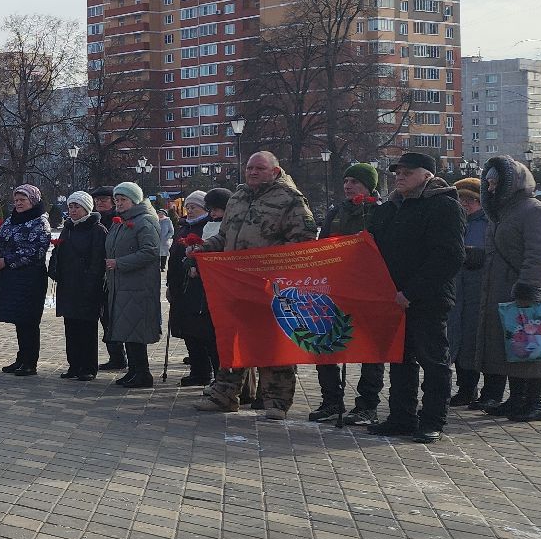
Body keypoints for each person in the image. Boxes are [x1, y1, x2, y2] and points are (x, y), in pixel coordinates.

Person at [194, 151, 316, 417]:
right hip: (236, 285)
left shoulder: (290, 200)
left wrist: (266, 262)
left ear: (274, 171)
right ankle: (224, 395)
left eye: (259, 168)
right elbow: (225, 236)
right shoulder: (237, 197)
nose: (252, 172)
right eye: (249, 167)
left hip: (270, 286)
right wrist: (203, 249)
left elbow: (303, 240)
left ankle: (275, 402)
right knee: (233, 339)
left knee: (272, 342)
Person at [366, 152, 465, 443]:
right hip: (394, 298)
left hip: (428, 298)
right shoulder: (389, 208)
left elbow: (449, 256)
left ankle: (433, 419)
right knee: (400, 359)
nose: (399, 176)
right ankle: (402, 416)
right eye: (397, 172)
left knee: (432, 360)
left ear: (427, 175)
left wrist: (412, 292)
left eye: (407, 172)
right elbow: (371, 248)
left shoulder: (444, 206)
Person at [474, 156, 541, 421]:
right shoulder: (501, 214)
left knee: (533, 348)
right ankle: (517, 399)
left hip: (524, 293)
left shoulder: (534, 210)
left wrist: (529, 289)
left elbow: (538, 254)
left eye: (495, 181)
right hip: (500, 290)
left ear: (512, 182)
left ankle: (535, 403)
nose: (490, 187)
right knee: (512, 348)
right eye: (488, 182)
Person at [309, 164, 385, 423]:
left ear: (369, 186)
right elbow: (322, 246)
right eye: (346, 180)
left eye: (355, 181)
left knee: (370, 350)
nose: (348, 185)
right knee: (325, 345)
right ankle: (331, 400)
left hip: (368, 290)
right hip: (335, 288)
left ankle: (367, 404)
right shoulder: (336, 212)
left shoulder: (379, 212)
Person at [104, 182, 164, 389]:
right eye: (117, 200)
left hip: (138, 286)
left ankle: (143, 373)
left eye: (123, 200)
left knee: (135, 330)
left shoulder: (145, 221)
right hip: (121, 285)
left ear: (135, 200)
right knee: (126, 329)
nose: (118, 204)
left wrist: (119, 263)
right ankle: (134, 371)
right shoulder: (121, 222)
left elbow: (150, 251)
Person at [0, 185, 51, 375]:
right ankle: (21, 358)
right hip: (10, 279)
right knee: (19, 320)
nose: (18, 203)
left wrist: (6, 260)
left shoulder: (40, 222)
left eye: (22, 200)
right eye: (16, 200)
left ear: (32, 200)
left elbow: (36, 251)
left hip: (30, 279)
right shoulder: (11, 220)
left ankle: (30, 362)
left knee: (29, 321)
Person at [167, 189, 221, 389]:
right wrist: (169, 285)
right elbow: (174, 256)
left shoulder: (208, 227)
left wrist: (194, 266)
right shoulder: (183, 227)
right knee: (188, 330)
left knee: (204, 332)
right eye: (188, 207)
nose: (189, 210)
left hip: (199, 287)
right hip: (181, 285)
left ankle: (214, 373)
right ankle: (198, 371)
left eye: (194, 207)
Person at [51, 191, 107, 381]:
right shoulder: (68, 228)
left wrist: (91, 282)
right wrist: (54, 266)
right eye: (71, 207)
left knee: (87, 329)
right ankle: (74, 365)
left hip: (87, 286)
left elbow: (98, 259)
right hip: (68, 285)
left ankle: (88, 367)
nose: (73, 210)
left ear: (87, 209)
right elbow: (59, 251)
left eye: (77, 207)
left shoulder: (97, 230)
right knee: (71, 327)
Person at [451, 177, 491, 407]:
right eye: (461, 199)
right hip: (457, 288)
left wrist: (476, 254)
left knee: (476, 340)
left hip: (479, 289)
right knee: (459, 339)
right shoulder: (454, 221)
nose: (465, 203)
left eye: (470, 199)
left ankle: (486, 389)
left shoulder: (488, 223)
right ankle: (466, 389)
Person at [89, 186, 123, 375]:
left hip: (115, 273)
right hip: (99, 275)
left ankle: (120, 356)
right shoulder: (95, 220)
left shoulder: (118, 220)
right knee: (105, 317)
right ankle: (115, 356)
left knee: (115, 316)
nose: (100, 203)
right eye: (97, 200)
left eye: (104, 199)